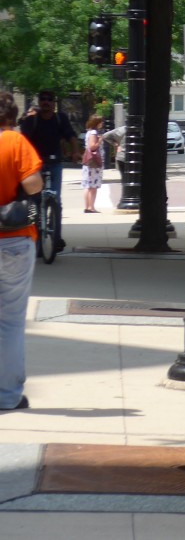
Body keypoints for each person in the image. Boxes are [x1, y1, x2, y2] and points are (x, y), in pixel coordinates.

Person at [0, 90, 44, 411]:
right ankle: (6, 395)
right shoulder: (15, 143)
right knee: (11, 321)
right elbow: (33, 184)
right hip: (13, 239)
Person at [18, 90, 79, 252]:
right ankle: (36, 241)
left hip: (55, 164)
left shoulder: (60, 119)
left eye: (49, 100)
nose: (46, 102)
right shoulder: (31, 121)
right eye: (43, 99)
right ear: (39, 102)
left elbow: (70, 136)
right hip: (36, 166)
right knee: (36, 203)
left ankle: (56, 238)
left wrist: (75, 151)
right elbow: (23, 141)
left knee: (56, 200)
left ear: (54, 103)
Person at [81, 115, 105, 213]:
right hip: (94, 162)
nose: (102, 124)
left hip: (88, 161)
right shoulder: (94, 133)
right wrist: (99, 141)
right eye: (101, 122)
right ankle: (91, 207)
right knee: (93, 185)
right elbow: (92, 147)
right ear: (97, 123)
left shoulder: (89, 132)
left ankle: (87, 206)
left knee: (87, 185)